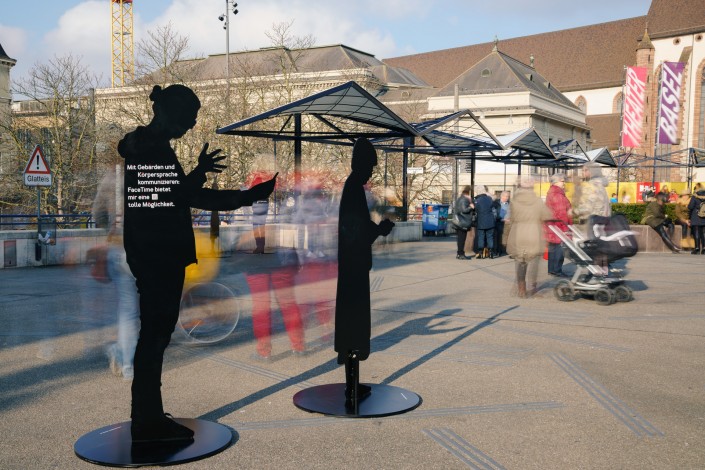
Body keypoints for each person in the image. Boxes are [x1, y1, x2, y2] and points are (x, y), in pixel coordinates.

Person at [118, 84, 276, 443]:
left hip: (153, 252)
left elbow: (175, 195)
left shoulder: (147, 146)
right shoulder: (152, 149)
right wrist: (245, 195)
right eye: (189, 119)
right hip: (158, 254)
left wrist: (222, 184)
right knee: (155, 336)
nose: (191, 126)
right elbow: (184, 197)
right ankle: (147, 420)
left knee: (155, 335)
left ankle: (148, 415)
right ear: (170, 113)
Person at [335, 138, 394, 409]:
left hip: (352, 267)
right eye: (370, 166)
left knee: (353, 325)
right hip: (353, 268)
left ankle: (352, 383)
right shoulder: (353, 189)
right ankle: (351, 386)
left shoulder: (352, 187)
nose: (371, 172)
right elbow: (356, 231)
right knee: (353, 324)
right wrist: (379, 229)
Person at [507, 176, 552, 298]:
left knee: (520, 261)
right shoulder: (537, 201)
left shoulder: (514, 201)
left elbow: (511, 218)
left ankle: (521, 289)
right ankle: (532, 288)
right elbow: (546, 215)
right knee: (534, 262)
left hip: (518, 234)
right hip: (534, 234)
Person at [574, 163, 611, 273]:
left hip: (593, 221)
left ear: (592, 171)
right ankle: (603, 271)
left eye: (585, 170)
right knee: (601, 247)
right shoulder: (601, 185)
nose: (583, 173)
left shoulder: (591, 185)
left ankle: (596, 273)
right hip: (603, 221)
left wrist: (573, 212)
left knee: (592, 248)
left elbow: (587, 207)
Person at [544, 173, 572, 277]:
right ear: (557, 182)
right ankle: (557, 270)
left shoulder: (552, 193)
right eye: (562, 181)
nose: (564, 183)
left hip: (553, 226)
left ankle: (552, 269)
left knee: (553, 249)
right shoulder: (557, 194)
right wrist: (566, 228)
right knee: (559, 250)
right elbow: (561, 213)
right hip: (559, 227)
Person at [473, 185, 495, 259]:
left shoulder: (477, 200)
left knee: (481, 237)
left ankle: (480, 252)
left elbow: (476, 210)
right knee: (490, 237)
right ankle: (491, 252)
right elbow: (492, 208)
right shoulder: (489, 199)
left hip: (481, 221)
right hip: (490, 221)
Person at [453, 186, 474, 259]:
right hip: (463, 222)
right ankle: (461, 254)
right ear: (468, 193)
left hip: (460, 221)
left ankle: (459, 253)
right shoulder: (464, 199)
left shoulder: (460, 198)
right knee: (462, 239)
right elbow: (464, 210)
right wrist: (471, 207)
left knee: (460, 239)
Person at [688, 184, 705, 255]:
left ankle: (697, 248)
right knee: (703, 233)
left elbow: (690, 207)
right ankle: (704, 248)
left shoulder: (695, 196)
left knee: (697, 232)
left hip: (696, 216)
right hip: (704, 216)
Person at [492, 191, 510, 257]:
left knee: (504, 237)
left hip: (507, 223)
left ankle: (502, 250)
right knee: (497, 237)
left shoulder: (509, 204)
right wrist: (500, 218)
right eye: (506, 196)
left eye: (508, 196)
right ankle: (496, 251)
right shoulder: (496, 203)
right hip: (498, 222)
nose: (507, 198)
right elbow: (494, 212)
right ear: (502, 196)